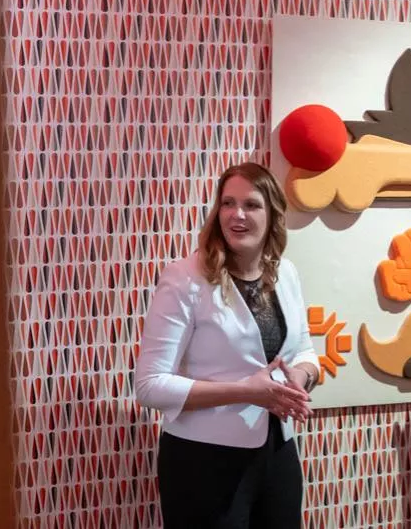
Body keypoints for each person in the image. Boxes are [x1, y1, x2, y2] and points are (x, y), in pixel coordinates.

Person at [135, 162, 320, 529]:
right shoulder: (184, 279)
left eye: (251, 205)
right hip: (203, 462)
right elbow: (150, 385)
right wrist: (245, 391)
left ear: (272, 214)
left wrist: (300, 378)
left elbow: (304, 350)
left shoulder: (286, 273)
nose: (237, 214)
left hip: (277, 453)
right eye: (228, 203)